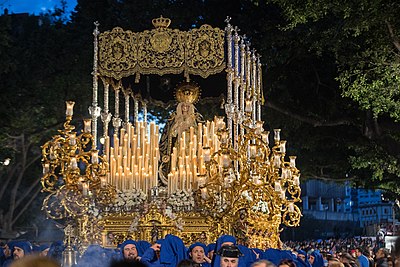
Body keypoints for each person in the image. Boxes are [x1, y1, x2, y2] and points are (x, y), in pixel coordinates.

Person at [158, 82, 203, 183]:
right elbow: (170, 134)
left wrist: (190, 130)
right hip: (178, 143)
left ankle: (191, 178)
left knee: (191, 160)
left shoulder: (195, 119)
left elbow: (199, 132)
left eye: (187, 106)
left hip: (191, 144)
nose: (185, 108)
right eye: (183, 106)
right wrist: (177, 127)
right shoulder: (175, 119)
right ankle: (177, 178)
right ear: (180, 107)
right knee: (177, 160)